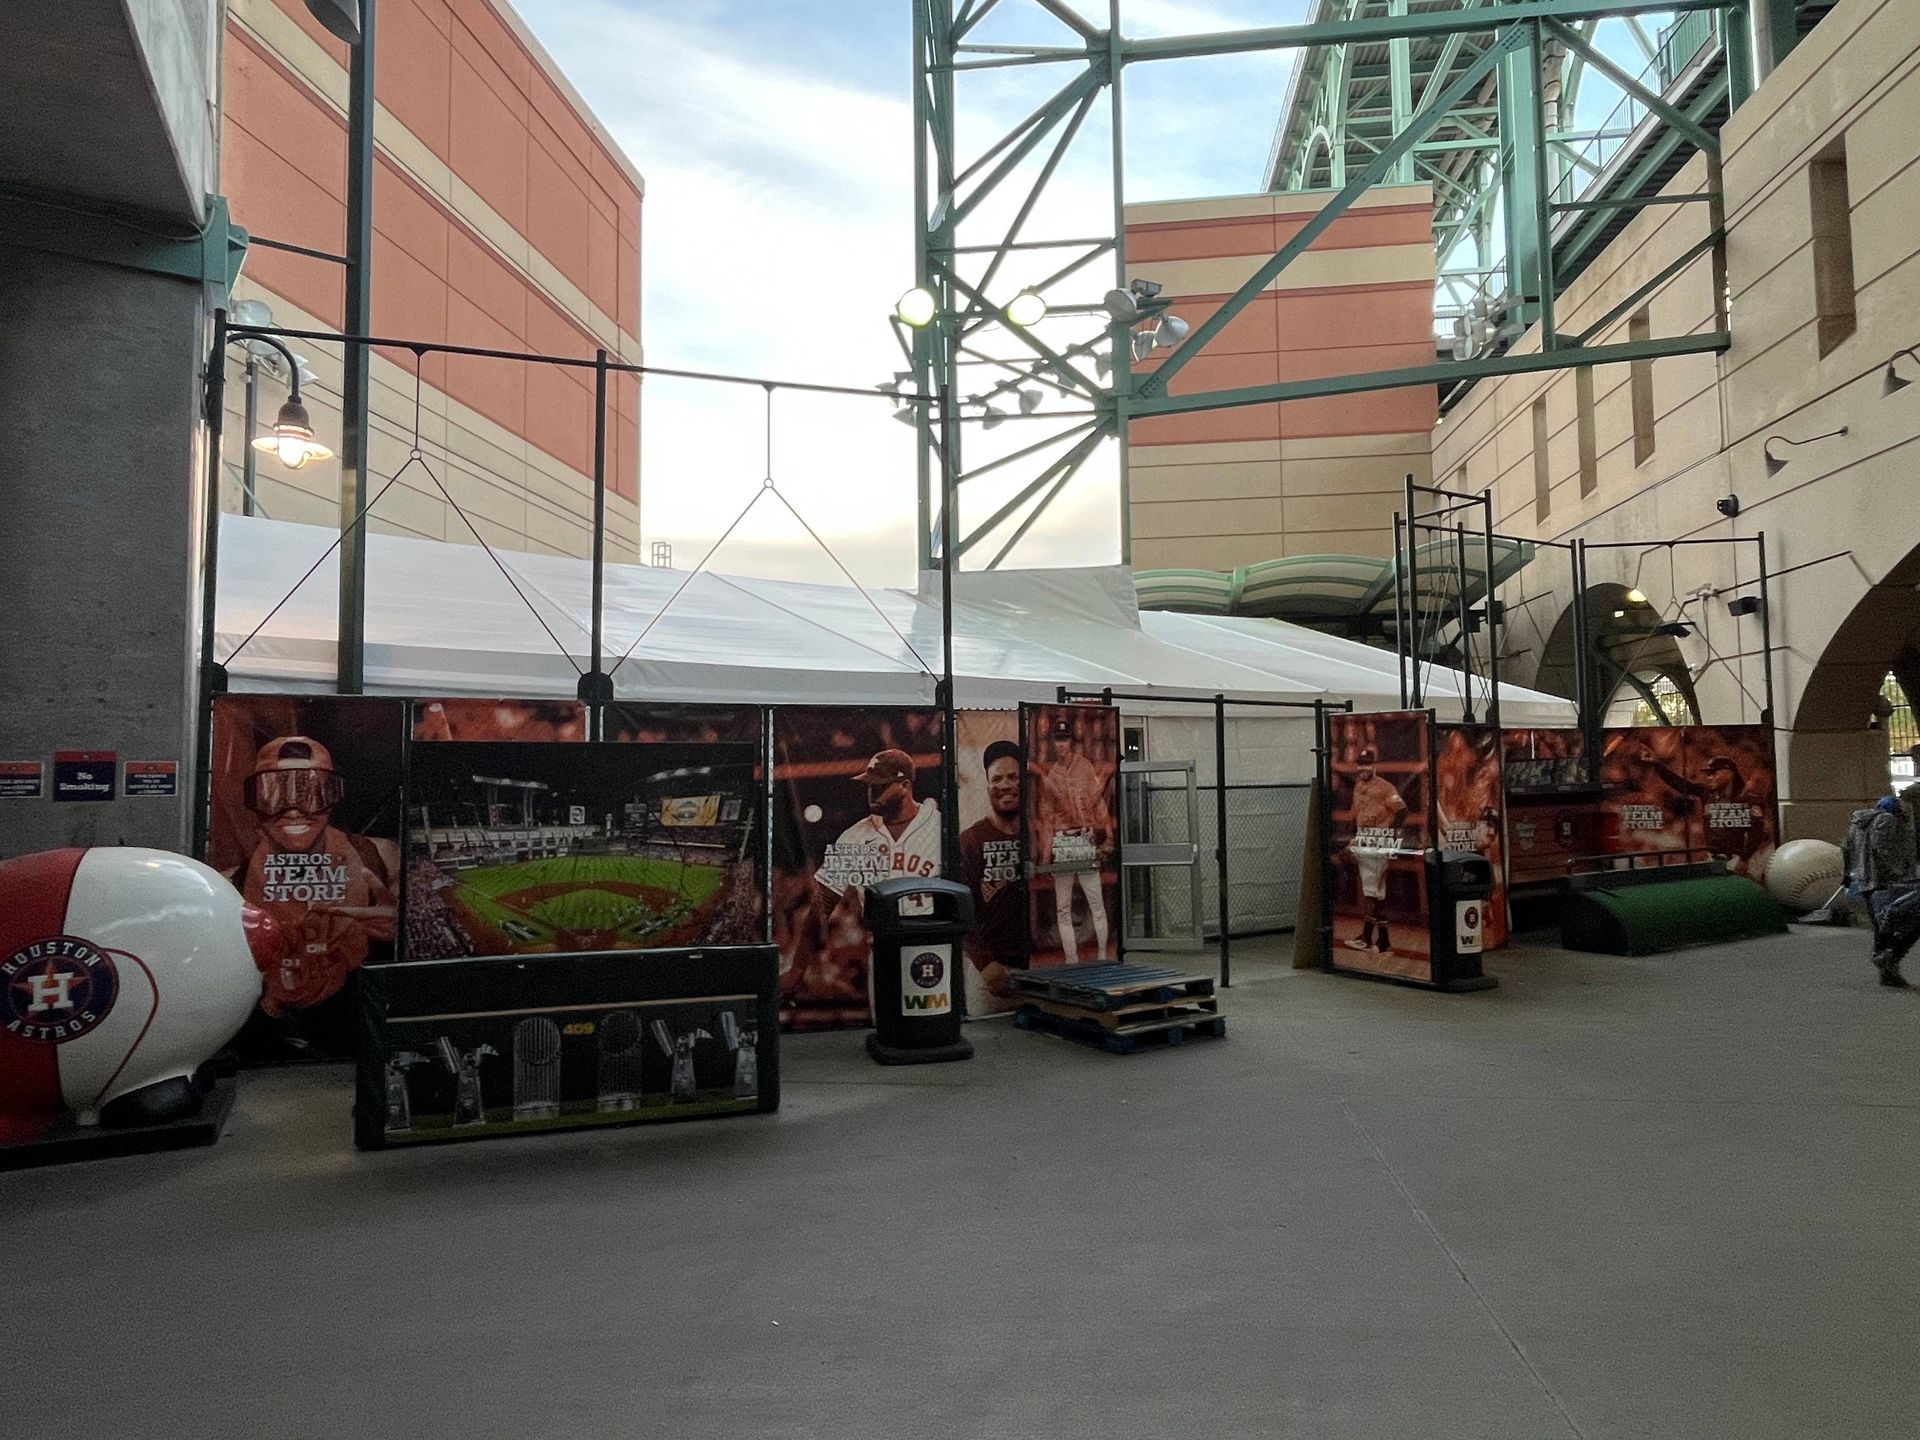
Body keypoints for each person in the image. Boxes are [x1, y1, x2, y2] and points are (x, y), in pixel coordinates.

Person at [229, 735, 398, 1017]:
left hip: (358, 1015)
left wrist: (397, 929)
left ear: (334, 797)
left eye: (311, 793)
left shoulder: (380, 857)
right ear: (254, 802)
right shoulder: (232, 883)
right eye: (274, 793)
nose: (293, 811)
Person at [783, 749, 943, 1011]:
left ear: (905, 786)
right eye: (870, 786)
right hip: (881, 951)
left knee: (931, 1024)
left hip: (933, 946)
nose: (872, 793)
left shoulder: (939, 827)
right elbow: (821, 905)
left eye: (880, 786)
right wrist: (798, 967)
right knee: (888, 1029)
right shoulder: (855, 837)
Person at [1029, 717, 1112, 965]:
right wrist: (1045, 859)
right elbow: (1047, 821)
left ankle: (1102, 956)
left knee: (1095, 902)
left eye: (1065, 739)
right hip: (1064, 843)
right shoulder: (1052, 775)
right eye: (1058, 739)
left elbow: (1099, 804)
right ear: (1054, 743)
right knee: (1062, 908)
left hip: (1084, 838)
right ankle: (1071, 959)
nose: (1062, 744)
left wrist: (1109, 838)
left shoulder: (1084, 767)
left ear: (1071, 743)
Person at [960, 739, 1028, 998]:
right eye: (997, 778)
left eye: (1013, 776)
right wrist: (984, 964)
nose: (1005, 785)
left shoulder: (1038, 834)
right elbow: (961, 910)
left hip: (1041, 967)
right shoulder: (971, 840)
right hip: (991, 971)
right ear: (987, 785)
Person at [1843, 794, 1918, 986]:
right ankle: (1888, 959)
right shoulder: (1887, 819)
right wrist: (1898, 872)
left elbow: (1845, 847)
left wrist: (1848, 873)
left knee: (1882, 923)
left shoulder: (1858, 823)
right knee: (1905, 920)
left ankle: (1886, 965)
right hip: (1885, 882)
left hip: (1865, 881)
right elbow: (1882, 848)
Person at [1345, 747, 1409, 954]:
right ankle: (1383, 941)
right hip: (1364, 841)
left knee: (1371, 892)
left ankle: (1365, 937)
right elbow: (1357, 815)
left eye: (1367, 764)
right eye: (1360, 764)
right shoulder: (1358, 786)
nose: (1363, 768)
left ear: (1374, 765)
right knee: (1376, 894)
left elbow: (1401, 811)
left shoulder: (1384, 787)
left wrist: (1388, 834)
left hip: (1377, 843)